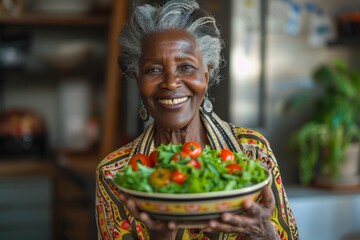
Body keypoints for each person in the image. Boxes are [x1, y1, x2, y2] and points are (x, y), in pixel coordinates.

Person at [95, 0, 299, 239]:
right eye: (153, 70)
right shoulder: (115, 175)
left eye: (186, 67)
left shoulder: (253, 153)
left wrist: (265, 234)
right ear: (137, 79)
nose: (171, 83)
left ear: (207, 74)